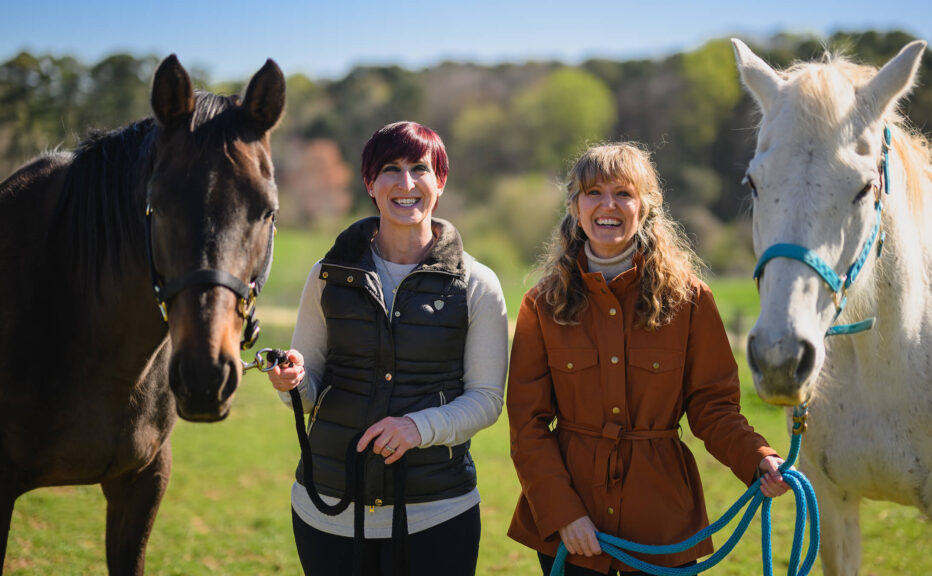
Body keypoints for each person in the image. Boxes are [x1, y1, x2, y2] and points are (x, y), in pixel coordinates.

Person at [506, 143, 790, 575]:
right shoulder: (541, 305)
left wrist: (759, 458)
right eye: (593, 192)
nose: (608, 205)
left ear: (647, 205)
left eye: (623, 193)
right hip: (570, 529)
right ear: (575, 206)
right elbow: (527, 426)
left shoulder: (690, 300)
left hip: (663, 527)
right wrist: (563, 513)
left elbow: (714, 409)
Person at [267, 121, 508, 576]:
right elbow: (308, 389)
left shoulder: (478, 284)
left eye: (420, 168)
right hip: (328, 511)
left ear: (441, 181)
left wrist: (418, 427)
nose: (406, 183)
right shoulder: (326, 275)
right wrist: (291, 382)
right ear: (370, 183)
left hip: (438, 515)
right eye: (390, 169)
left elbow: (487, 400)